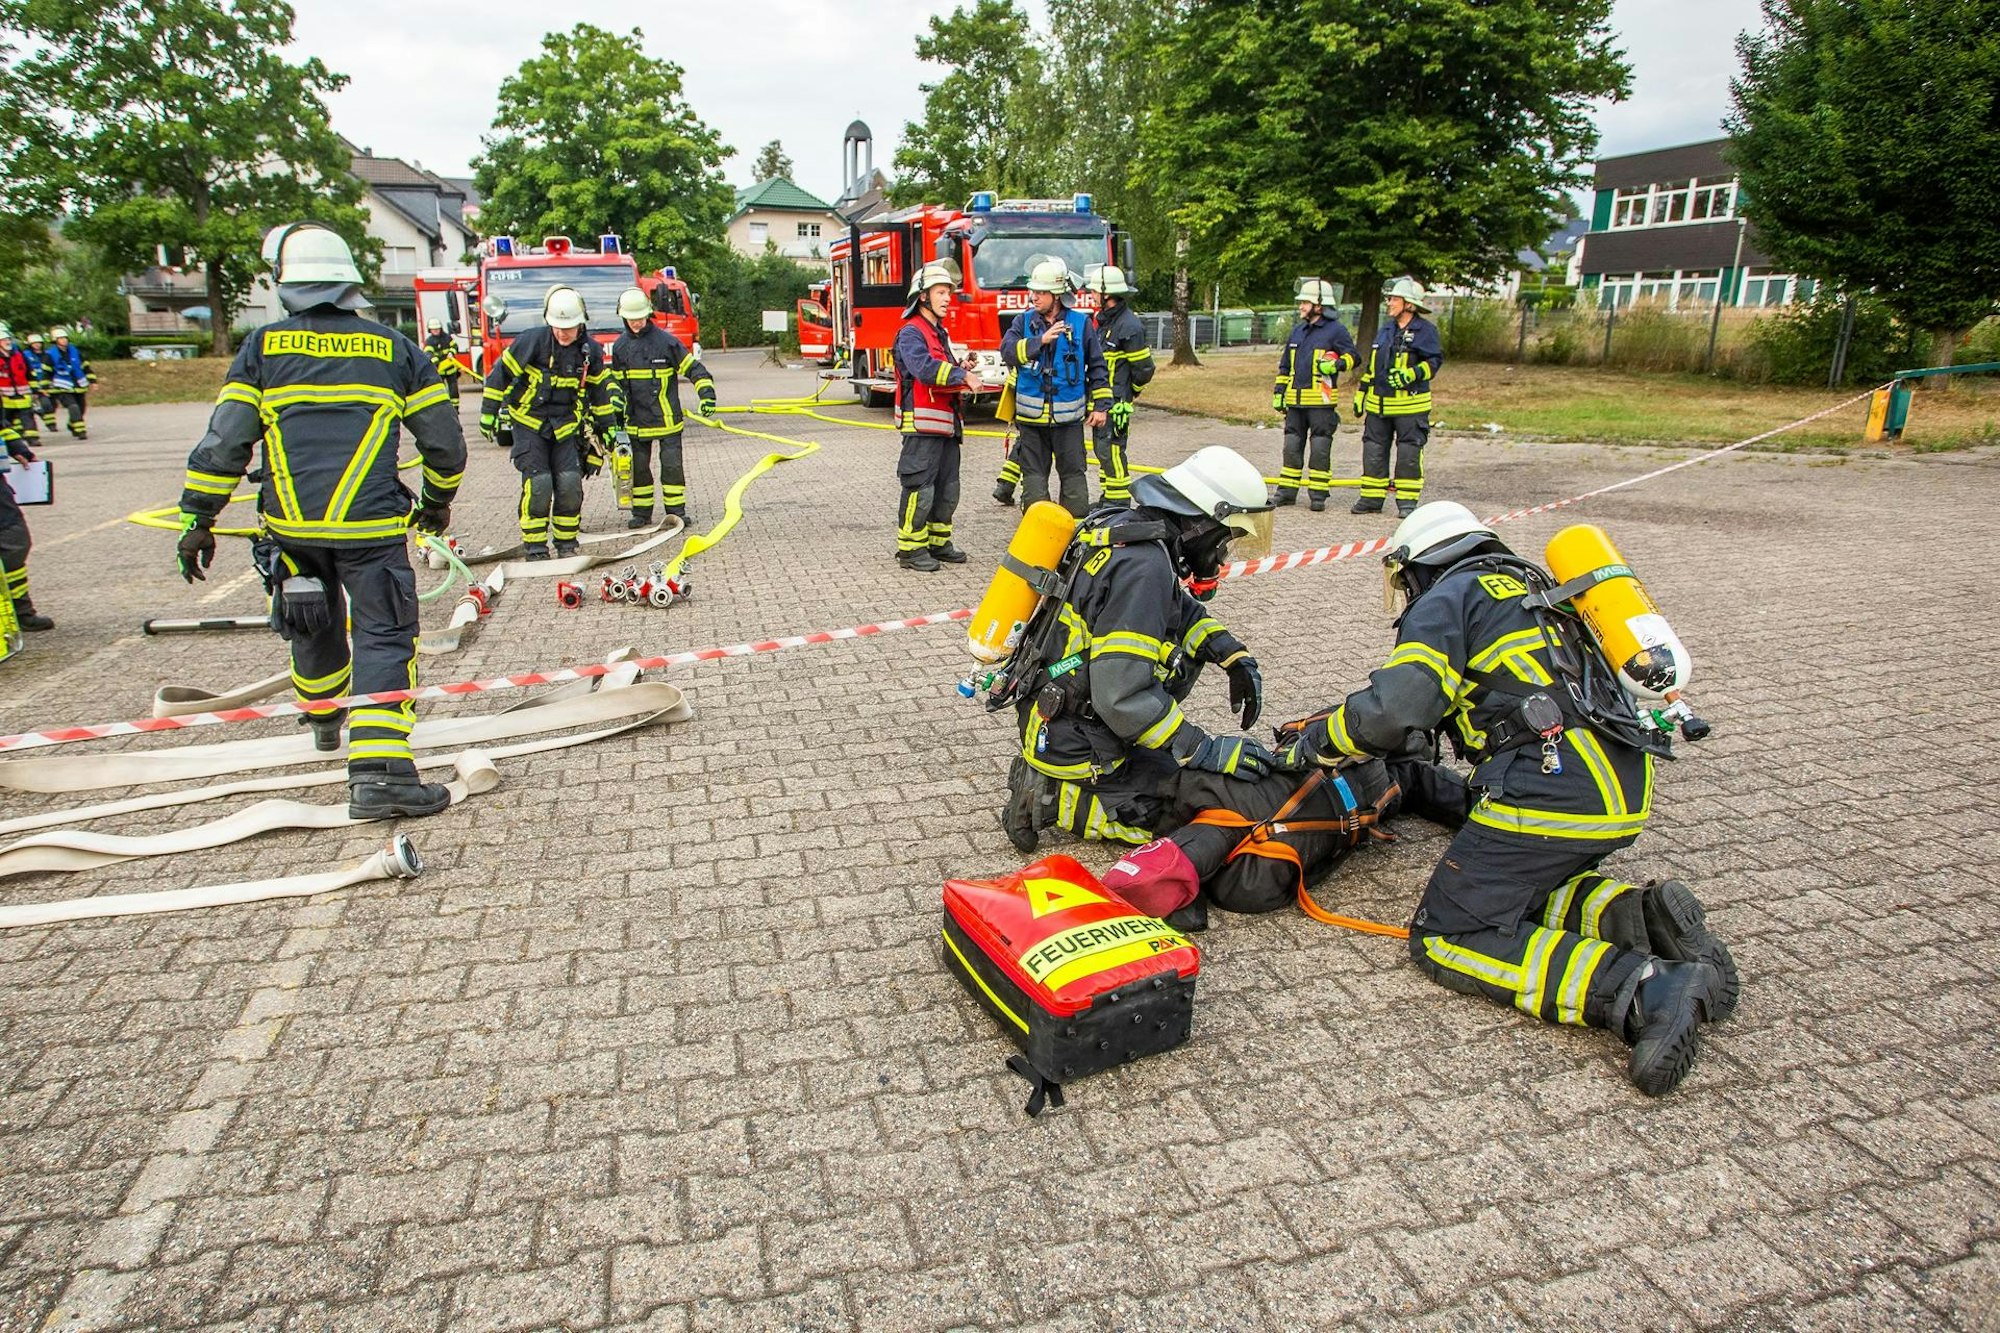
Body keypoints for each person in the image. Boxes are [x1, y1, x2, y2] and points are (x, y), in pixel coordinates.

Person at [1275, 501, 1740, 1096]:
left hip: (1547, 798)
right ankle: (1639, 918)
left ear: (1419, 566)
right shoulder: (1548, 594)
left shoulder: (1450, 598)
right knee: (1516, 885)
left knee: (1449, 935)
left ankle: (1645, 986)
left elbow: (1398, 707)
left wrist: (1316, 744)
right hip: (1618, 791)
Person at [173, 223, 466, 818]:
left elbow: (225, 444)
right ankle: (381, 777)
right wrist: (436, 503)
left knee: (310, 621)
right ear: (352, 285)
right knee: (383, 636)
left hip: (291, 529)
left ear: (285, 287)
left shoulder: (262, 349)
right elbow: (445, 445)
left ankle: (326, 722)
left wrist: (198, 518)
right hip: (371, 530)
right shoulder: (395, 349)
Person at [999, 445, 1276, 852]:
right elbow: (1121, 697)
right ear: (1201, 524)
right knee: (1186, 818)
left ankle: (1050, 776)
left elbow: (1178, 609)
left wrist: (1232, 655)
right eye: (1226, 538)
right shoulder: (1144, 567)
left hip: (1056, 716)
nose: (1223, 553)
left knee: (1185, 775)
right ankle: (1051, 798)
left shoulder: (1131, 531)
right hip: (1082, 740)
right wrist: (1202, 748)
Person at [480, 286, 616, 558]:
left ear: (582, 322)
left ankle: (566, 545)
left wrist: (608, 427)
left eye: (569, 327)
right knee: (539, 483)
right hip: (529, 424)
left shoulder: (591, 352)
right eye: (557, 326)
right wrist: (488, 412)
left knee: (569, 484)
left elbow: (599, 393)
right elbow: (500, 376)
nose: (563, 332)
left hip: (565, 427)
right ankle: (535, 546)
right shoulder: (531, 342)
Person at [891, 261, 986, 572]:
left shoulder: (937, 332)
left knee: (948, 488)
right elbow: (924, 369)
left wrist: (963, 368)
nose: (948, 298)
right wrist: (961, 374)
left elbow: (942, 368)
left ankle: (938, 542)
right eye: (941, 292)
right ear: (922, 297)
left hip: (945, 425)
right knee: (921, 486)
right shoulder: (910, 332)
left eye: (949, 293)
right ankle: (910, 549)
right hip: (922, 426)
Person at [1000, 259, 1109, 517]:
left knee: (1073, 476)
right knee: (1034, 478)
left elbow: (1097, 367)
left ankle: (1075, 538)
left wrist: (1101, 406)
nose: (1034, 297)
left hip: (1068, 421)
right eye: (1033, 291)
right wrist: (1039, 341)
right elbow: (1007, 351)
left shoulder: (1080, 324)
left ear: (1057, 295)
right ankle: (1038, 535)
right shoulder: (1022, 322)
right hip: (1031, 421)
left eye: (1040, 292)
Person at [607, 287, 716, 529]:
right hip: (636, 421)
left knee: (672, 468)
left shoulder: (667, 343)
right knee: (639, 471)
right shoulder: (620, 347)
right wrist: (614, 407)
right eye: (630, 318)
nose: (635, 323)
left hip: (667, 420)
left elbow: (695, 370)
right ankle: (642, 513)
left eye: (639, 317)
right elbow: (614, 381)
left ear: (648, 314)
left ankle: (676, 512)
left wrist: (706, 394)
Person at [1352, 276, 1443, 517]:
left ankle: (1406, 503)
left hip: (1410, 407)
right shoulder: (1386, 329)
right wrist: (1362, 392)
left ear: (1409, 304)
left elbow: (1434, 362)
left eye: (1393, 298)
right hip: (1378, 406)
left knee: (1409, 453)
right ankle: (1372, 498)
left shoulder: (1425, 331)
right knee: (1373, 450)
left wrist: (1410, 375)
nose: (1389, 302)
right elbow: (1373, 365)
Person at [1272, 279, 1357, 511]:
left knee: (1320, 447)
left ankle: (1318, 495)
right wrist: (1279, 392)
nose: (1300, 306)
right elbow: (1284, 366)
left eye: (1305, 302)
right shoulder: (1298, 332)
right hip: (1295, 403)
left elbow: (1353, 356)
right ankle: (1287, 492)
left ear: (1319, 305)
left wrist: (1337, 363)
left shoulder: (1335, 330)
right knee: (1291, 445)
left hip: (1321, 403)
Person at [1084, 264, 1154, 507]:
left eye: (1094, 291)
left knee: (1111, 450)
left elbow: (1144, 369)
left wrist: (1130, 393)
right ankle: (1108, 497)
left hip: (1116, 404)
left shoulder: (1129, 326)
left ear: (1107, 295)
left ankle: (1118, 501)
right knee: (1102, 450)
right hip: (1104, 401)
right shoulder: (1105, 323)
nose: (1091, 295)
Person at [44, 327, 93, 440]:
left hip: (78, 385)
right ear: (55, 340)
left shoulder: (75, 351)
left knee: (81, 408)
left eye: (65, 338)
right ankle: (81, 431)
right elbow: (46, 372)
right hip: (62, 387)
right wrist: (45, 387)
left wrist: (92, 380)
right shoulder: (50, 354)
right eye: (61, 338)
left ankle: (72, 425)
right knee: (73, 407)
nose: (64, 340)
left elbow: (85, 366)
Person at [0, 325, 39, 450]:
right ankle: (13, 443)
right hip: (5, 397)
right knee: (7, 421)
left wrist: (34, 390)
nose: (8, 342)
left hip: (23, 393)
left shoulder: (19, 355)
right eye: (4, 340)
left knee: (27, 416)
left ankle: (33, 439)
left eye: (9, 339)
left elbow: (30, 372)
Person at [423, 321, 465, 405]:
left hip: (451, 369)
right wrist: (435, 360)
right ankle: (442, 407)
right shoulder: (429, 341)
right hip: (439, 371)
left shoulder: (447, 338)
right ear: (430, 330)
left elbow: (454, 346)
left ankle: (455, 407)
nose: (435, 331)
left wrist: (451, 352)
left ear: (440, 328)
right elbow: (428, 353)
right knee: (440, 390)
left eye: (437, 329)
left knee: (454, 390)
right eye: (433, 329)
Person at [23, 331, 56, 434]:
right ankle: (50, 424)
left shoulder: (47, 355)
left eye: (39, 342)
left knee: (50, 405)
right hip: (31, 384)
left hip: (45, 384)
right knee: (43, 404)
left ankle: (48, 421)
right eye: (34, 343)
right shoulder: (25, 355)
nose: (37, 345)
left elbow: (52, 370)